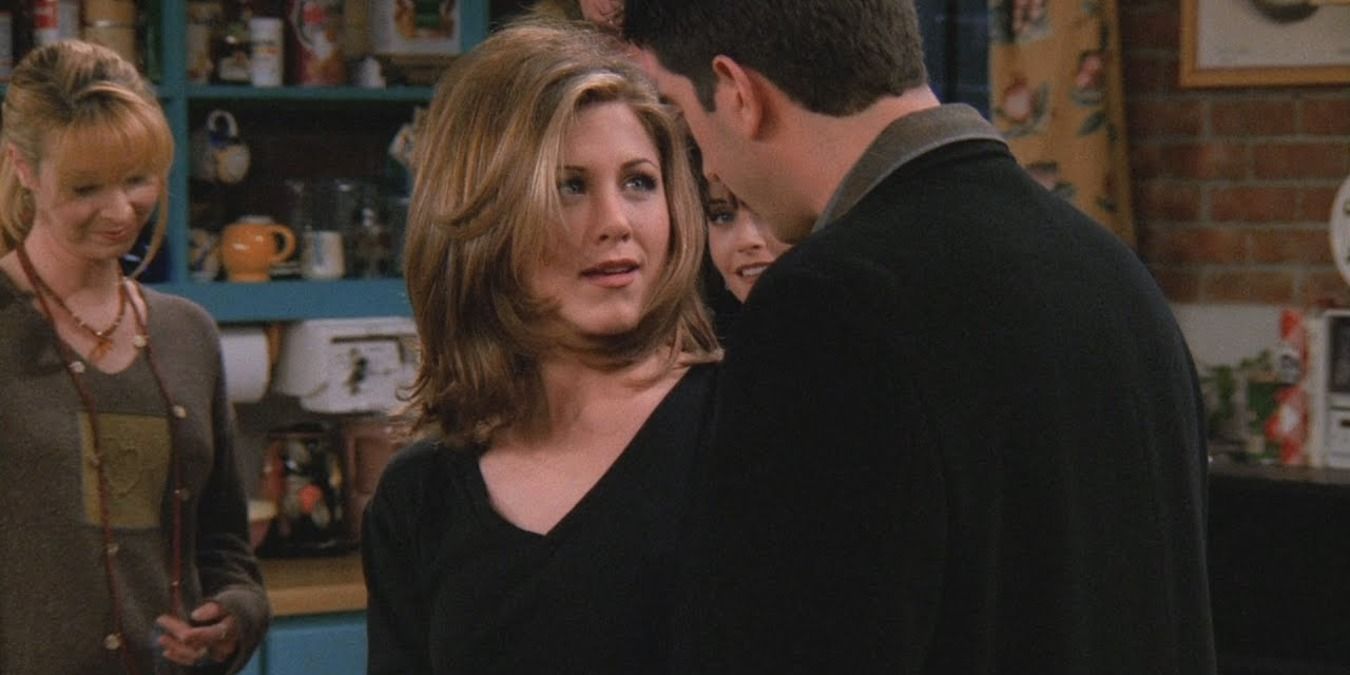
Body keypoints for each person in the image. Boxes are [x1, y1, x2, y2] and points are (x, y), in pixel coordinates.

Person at [623, 1, 1217, 673]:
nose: (707, 166)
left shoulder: (827, 303)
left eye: (684, 112)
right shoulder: (1112, 272)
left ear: (737, 93)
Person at [361, 19, 720, 674]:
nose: (615, 222)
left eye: (639, 182)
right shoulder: (420, 497)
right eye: (569, 186)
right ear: (485, 216)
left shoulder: (745, 427)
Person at [0, 40, 269, 673]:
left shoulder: (188, 335)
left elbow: (225, 548)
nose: (121, 211)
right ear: (23, 168)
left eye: (138, 179)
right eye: (86, 187)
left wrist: (233, 618)